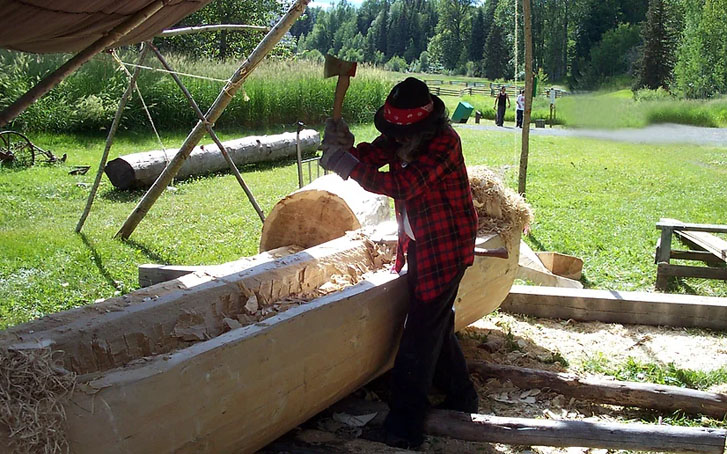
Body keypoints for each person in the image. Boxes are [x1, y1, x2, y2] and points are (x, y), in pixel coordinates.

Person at [320, 77, 479, 449]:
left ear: (426, 126)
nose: (397, 140)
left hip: (447, 246)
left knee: (419, 336)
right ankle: (462, 395)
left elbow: (403, 185)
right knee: (436, 322)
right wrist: (345, 147)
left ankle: (404, 429)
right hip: (421, 241)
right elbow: (372, 157)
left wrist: (345, 165)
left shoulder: (444, 143)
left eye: (403, 135)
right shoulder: (399, 137)